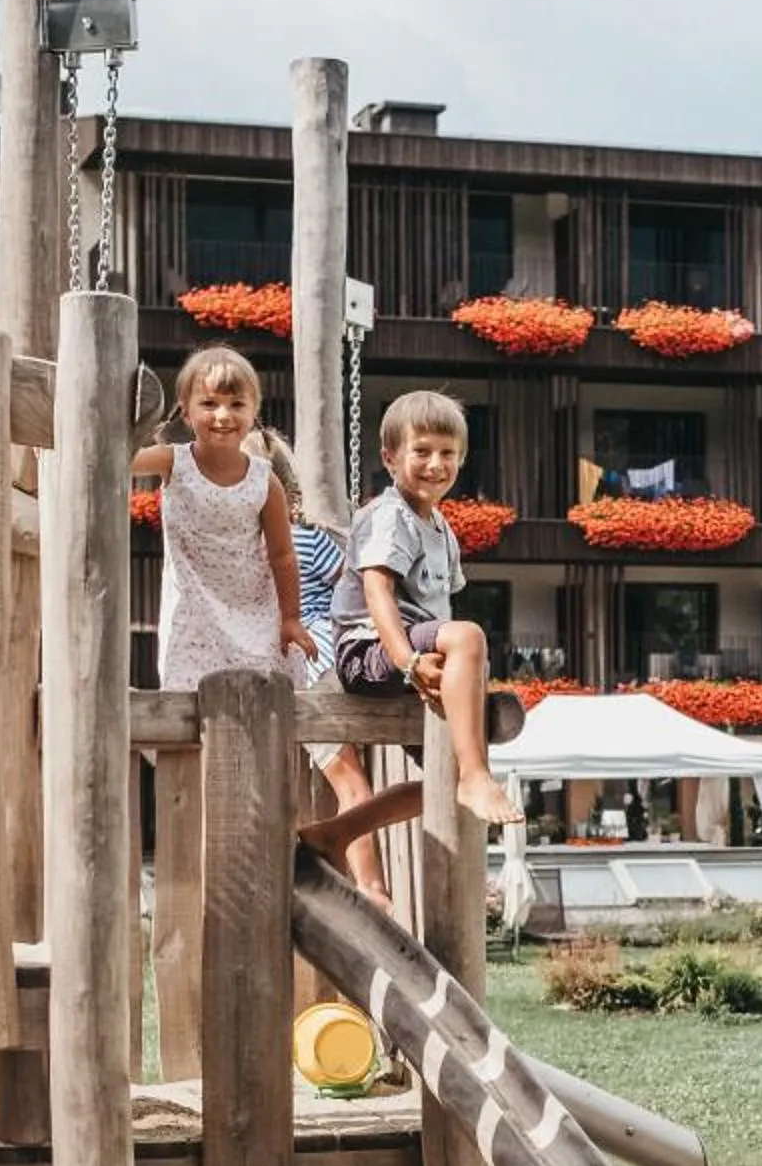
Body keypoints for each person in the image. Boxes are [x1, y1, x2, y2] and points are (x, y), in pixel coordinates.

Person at [336, 390, 523, 826]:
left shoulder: (441, 528)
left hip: (413, 651)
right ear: (389, 457)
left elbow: (439, 610)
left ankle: (333, 835)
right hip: (368, 649)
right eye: (422, 452)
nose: (436, 464)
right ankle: (477, 775)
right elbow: (376, 592)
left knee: (445, 778)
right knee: (469, 634)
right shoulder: (389, 516)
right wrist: (409, 661)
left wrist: (463, 681)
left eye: (448, 454)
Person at [247, 429, 391, 903]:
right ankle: (368, 882)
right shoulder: (309, 540)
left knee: (346, 780)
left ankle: (371, 887)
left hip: (305, 666)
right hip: (331, 654)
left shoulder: (257, 549)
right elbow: (350, 586)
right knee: (352, 778)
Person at [132, 346, 320, 694]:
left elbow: (282, 555)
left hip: (254, 609)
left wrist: (291, 617)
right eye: (209, 404)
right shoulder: (173, 462)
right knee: (189, 697)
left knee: (262, 699)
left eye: (237, 404)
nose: (223, 415)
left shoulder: (265, 481)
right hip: (194, 607)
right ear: (186, 412)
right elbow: (119, 460)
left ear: (253, 412)